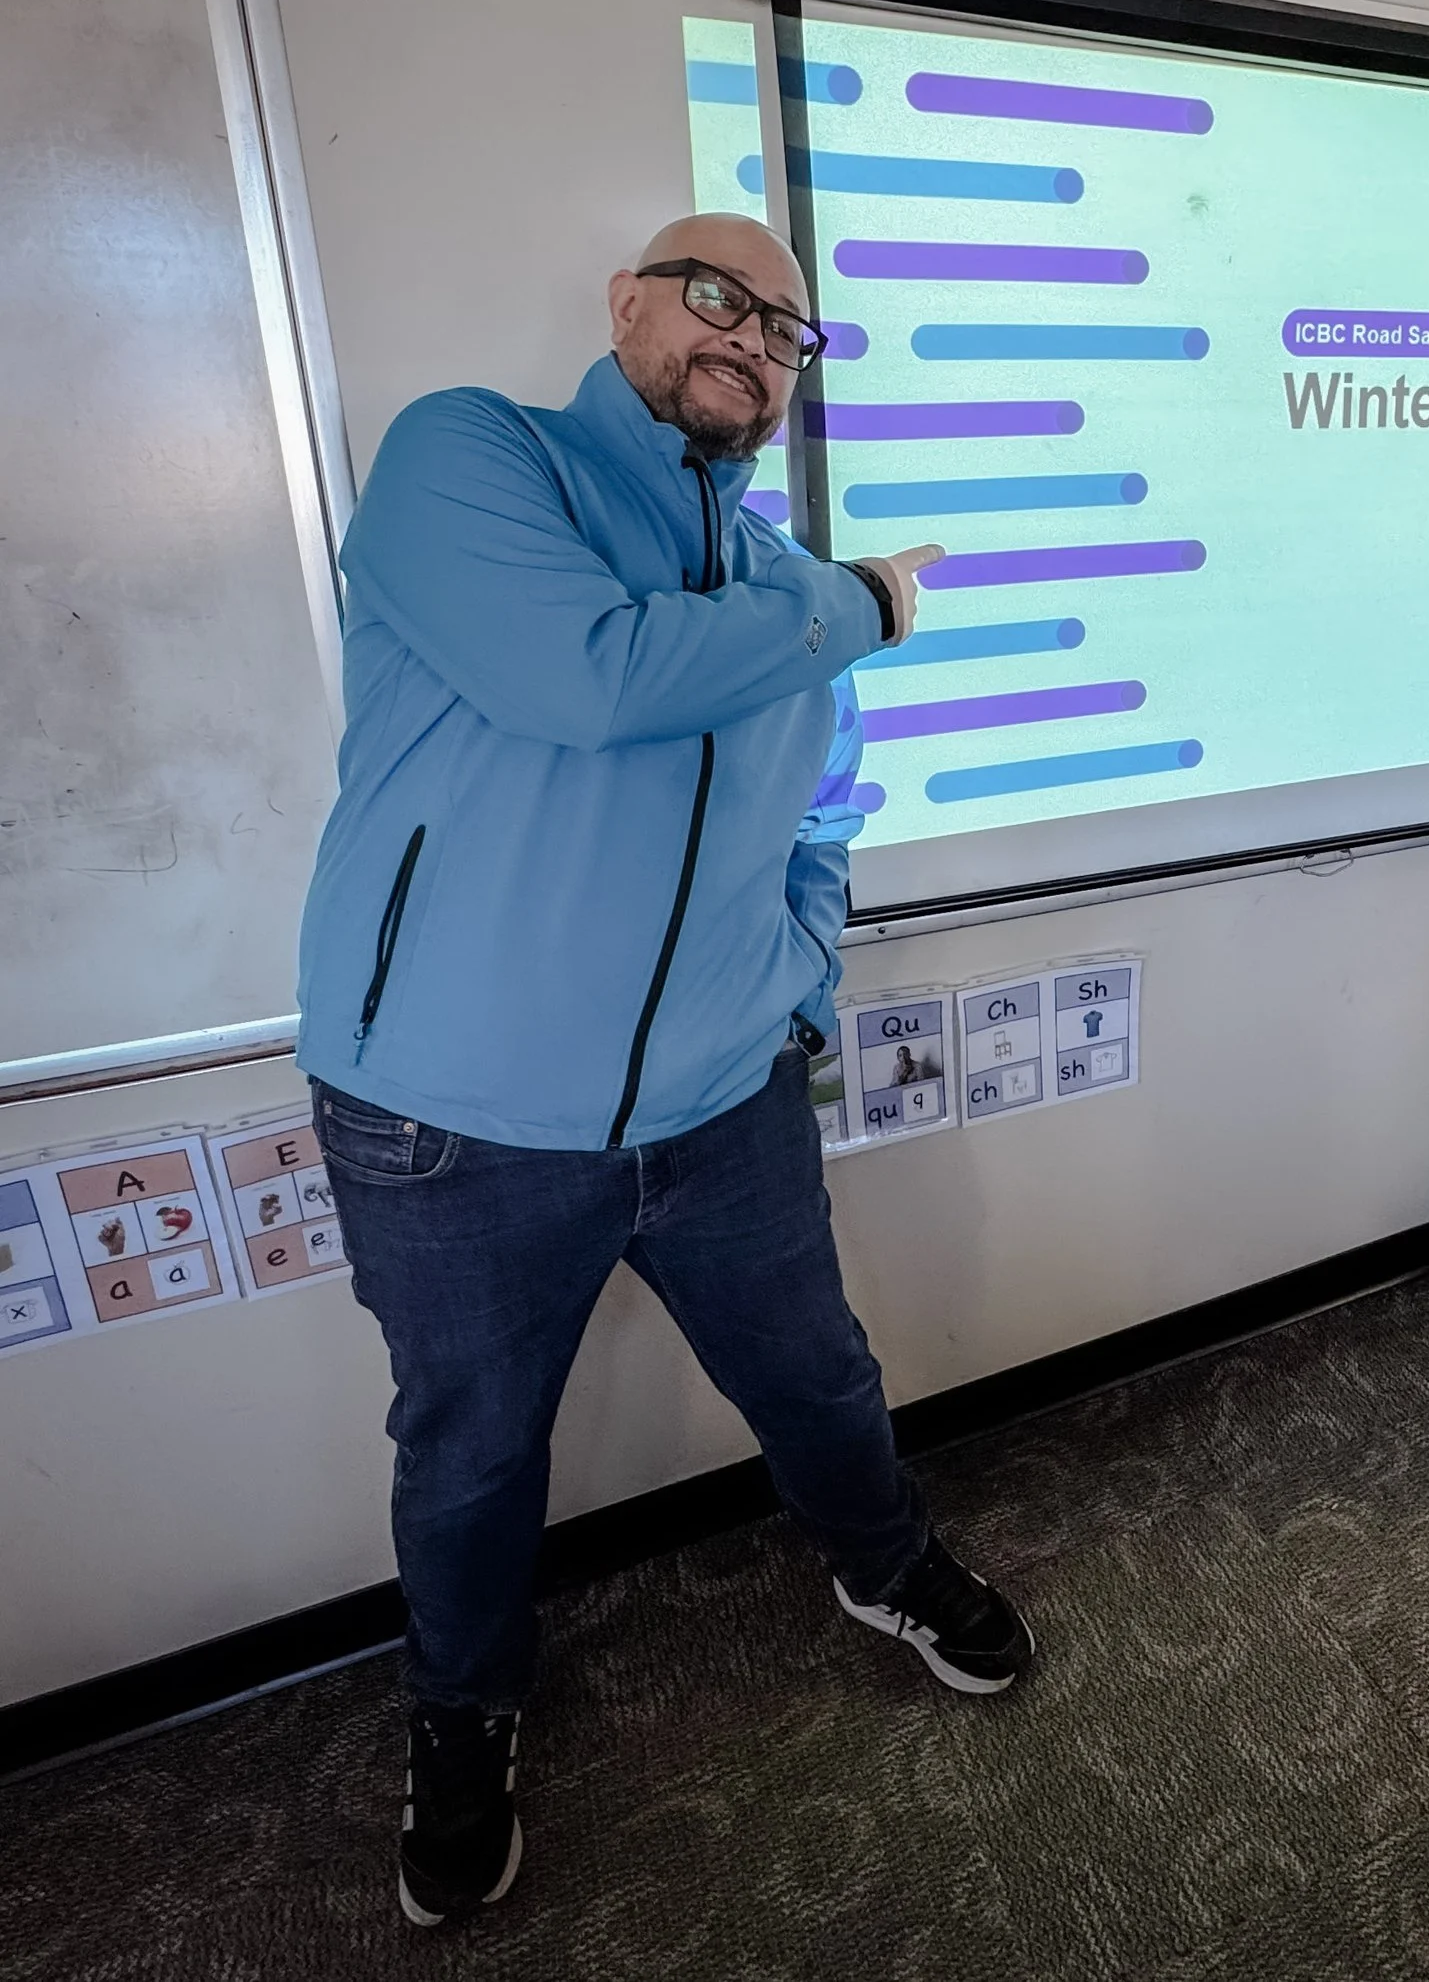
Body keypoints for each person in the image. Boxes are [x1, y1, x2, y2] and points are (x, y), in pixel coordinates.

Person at [296, 213, 1035, 1929]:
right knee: (472, 1453)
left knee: (819, 1376)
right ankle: (463, 1709)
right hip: (450, 1118)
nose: (754, 338)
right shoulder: (475, 458)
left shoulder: (784, 588)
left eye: (787, 329)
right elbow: (594, 678)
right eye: (719, 296)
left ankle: (883, 1563)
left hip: (725, 1096)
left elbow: (825, 815)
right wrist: (866, 602)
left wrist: (796, 981)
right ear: (625, 302)